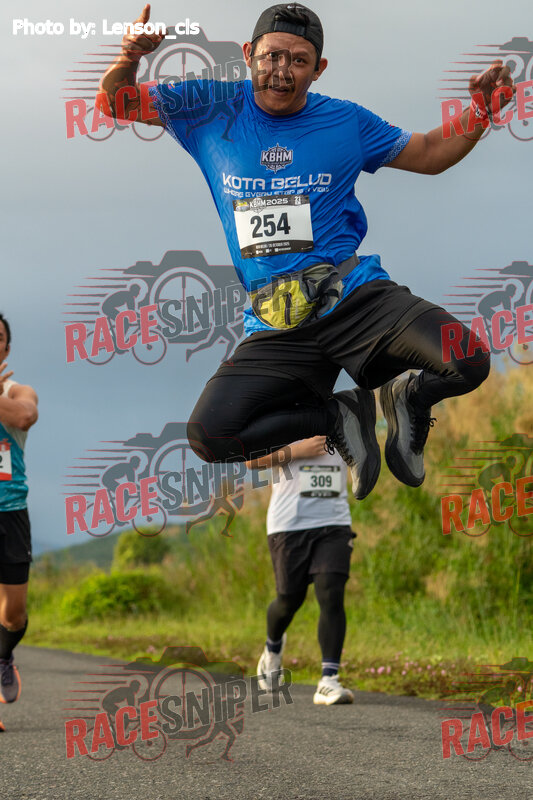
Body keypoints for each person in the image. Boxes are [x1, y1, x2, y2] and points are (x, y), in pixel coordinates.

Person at [99, 4, 515, 499]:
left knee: (468, 360)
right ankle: (337, 414)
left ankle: (408, 398)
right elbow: (117, 103)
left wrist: (481, 112)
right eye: (272, 56)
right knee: (210, 437)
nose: (282, 71)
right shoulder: (208, 106)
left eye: (298, 61)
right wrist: (129, 58)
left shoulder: (345, 121)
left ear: (318, 69)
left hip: (354, 298)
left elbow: (427, 152)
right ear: (249, 54)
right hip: (276, 322)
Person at [248, 435, 355, 704]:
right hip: (288, 524)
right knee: (288, 600)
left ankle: (329, 680)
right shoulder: (284, 417)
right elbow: (251, 461)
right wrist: (296, 450)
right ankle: (273, 647)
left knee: (331, 593)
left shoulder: (344, 416)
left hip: (334, 520)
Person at [0, 313, 39, 723]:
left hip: (10, 511)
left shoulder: (18, 391)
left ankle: (3, 654)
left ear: (6, 348)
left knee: (13, 615)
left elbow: (24, 417)